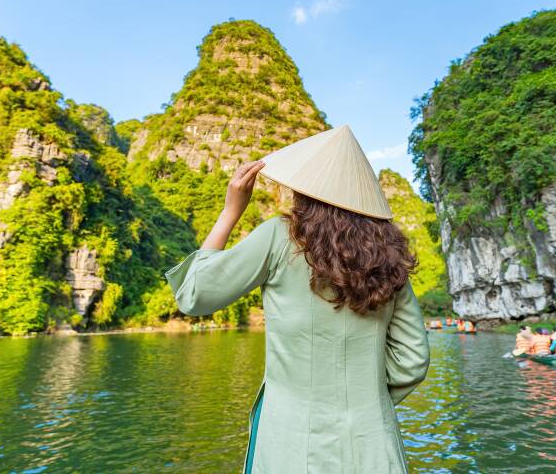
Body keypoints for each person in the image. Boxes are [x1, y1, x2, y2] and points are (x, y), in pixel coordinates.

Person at [165, 125, 430, 473]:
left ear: (307, 190)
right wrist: (367, 401)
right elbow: (413, 358)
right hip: (375, 445)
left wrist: (231, 211)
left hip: (290, 446)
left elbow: (194, 295)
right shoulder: (389, 257)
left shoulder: (280, 237)